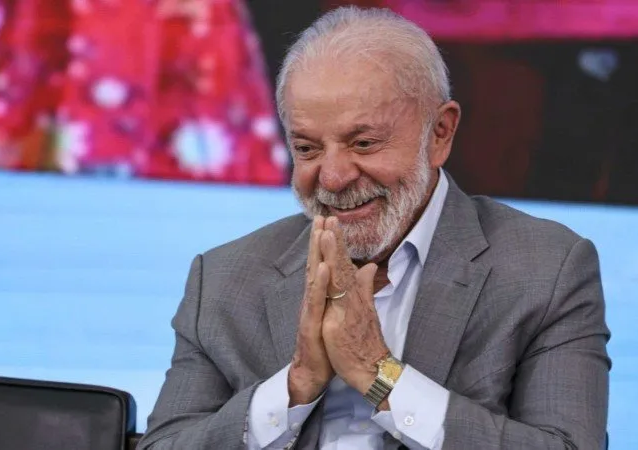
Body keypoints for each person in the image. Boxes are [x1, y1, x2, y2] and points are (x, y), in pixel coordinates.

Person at [137, 6, 610, 450]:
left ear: (440, 133)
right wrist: (294, 387)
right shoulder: (223, 279)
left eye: (363, 143)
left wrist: (378, 373)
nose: (332, 178)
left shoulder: (546, 271)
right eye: (307, 149)